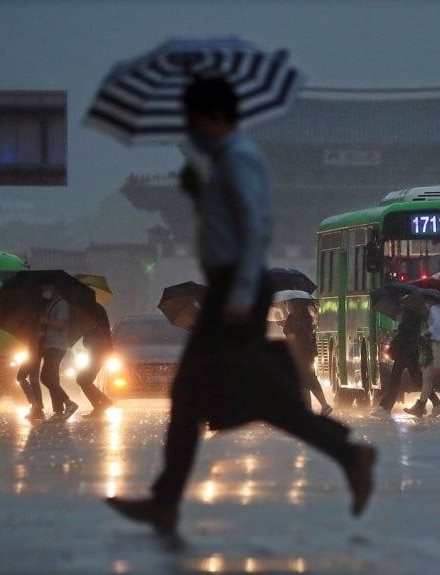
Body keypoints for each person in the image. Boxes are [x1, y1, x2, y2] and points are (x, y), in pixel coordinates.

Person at [106, 77, 375, 535]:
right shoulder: (223, 163)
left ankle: (167, 501)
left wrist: (239, 293)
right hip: (229, 289)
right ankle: (167, 500)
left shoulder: (240, 161)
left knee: (230, 395)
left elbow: (251, 232)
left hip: (236, 292)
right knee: (213, 395)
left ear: (213, 117)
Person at [372, 294, 440, 418]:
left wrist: (401, 324)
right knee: (415, 378)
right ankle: (436, 404)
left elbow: (405, 331)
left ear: (413, 303)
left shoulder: (411, 315)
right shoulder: (415, 314)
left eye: (407, 300)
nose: (404, 301)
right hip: (408, 350)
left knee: (396, 378)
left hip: (406, 350)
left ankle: (386, 408)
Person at [36, 278, 79, 423]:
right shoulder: (50, 304)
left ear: (53, 286)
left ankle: (68, 404)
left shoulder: (62, 304)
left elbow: (62, 324)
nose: (44, 291)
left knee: (47, 377)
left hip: (57, 346)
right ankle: (59, 411)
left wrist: (46, 322)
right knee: (49, 378)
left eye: (46, 287)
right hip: (49, 344)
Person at [282, 298, 332, 416]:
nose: (286, 305)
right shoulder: (308, 317)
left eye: (287, 303)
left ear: (293, 304)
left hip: (298, 354)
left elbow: (290, 338)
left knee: (303, 381)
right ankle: (324, 405)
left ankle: (308, 410)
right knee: (310, 379)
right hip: (308, 354)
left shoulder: (291, 318)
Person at [75, 302, 115, 418]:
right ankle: (101, 404)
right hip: (98, 351)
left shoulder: (94, 310)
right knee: (84, 379)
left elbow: (98, 332)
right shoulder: (95, 309)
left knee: (82, 379)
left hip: (99, 351)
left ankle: (103, 402)